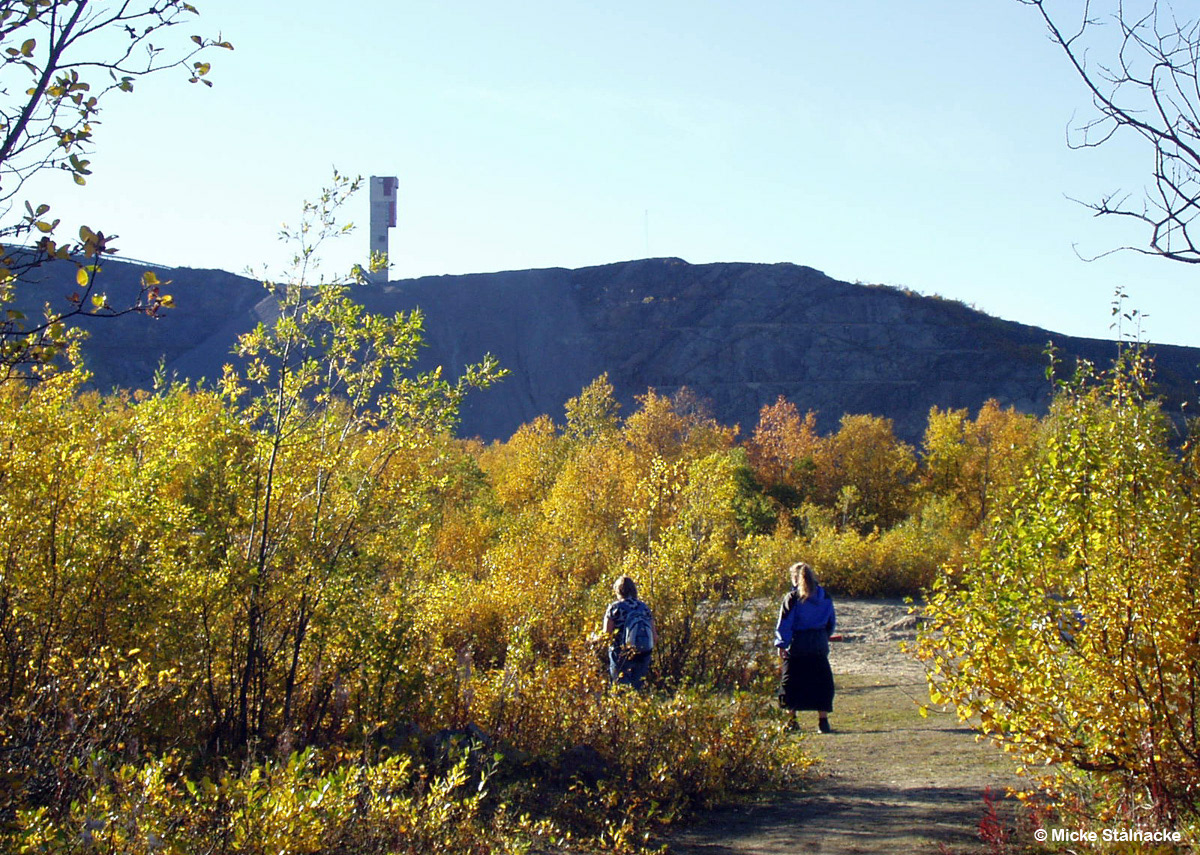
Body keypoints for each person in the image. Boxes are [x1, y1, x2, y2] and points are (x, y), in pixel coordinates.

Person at [774, 561, 836, 732]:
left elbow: (785, 622)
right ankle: (823, 722)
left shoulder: (792, 598)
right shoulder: (824, 596)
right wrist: (823, 636)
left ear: (795, 578)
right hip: (818, 644)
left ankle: (791, 721)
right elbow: (831, 622)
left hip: (798, 644)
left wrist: (781, 643)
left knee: (791, 683)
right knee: (822, 682)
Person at [602, 575, 656, 690]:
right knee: (638, 689)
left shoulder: (614, 608)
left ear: (618, 590)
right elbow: (654, 636)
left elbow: (606, 635)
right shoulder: (644, 608)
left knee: (620, 690)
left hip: (621, 654)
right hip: (643, 652)